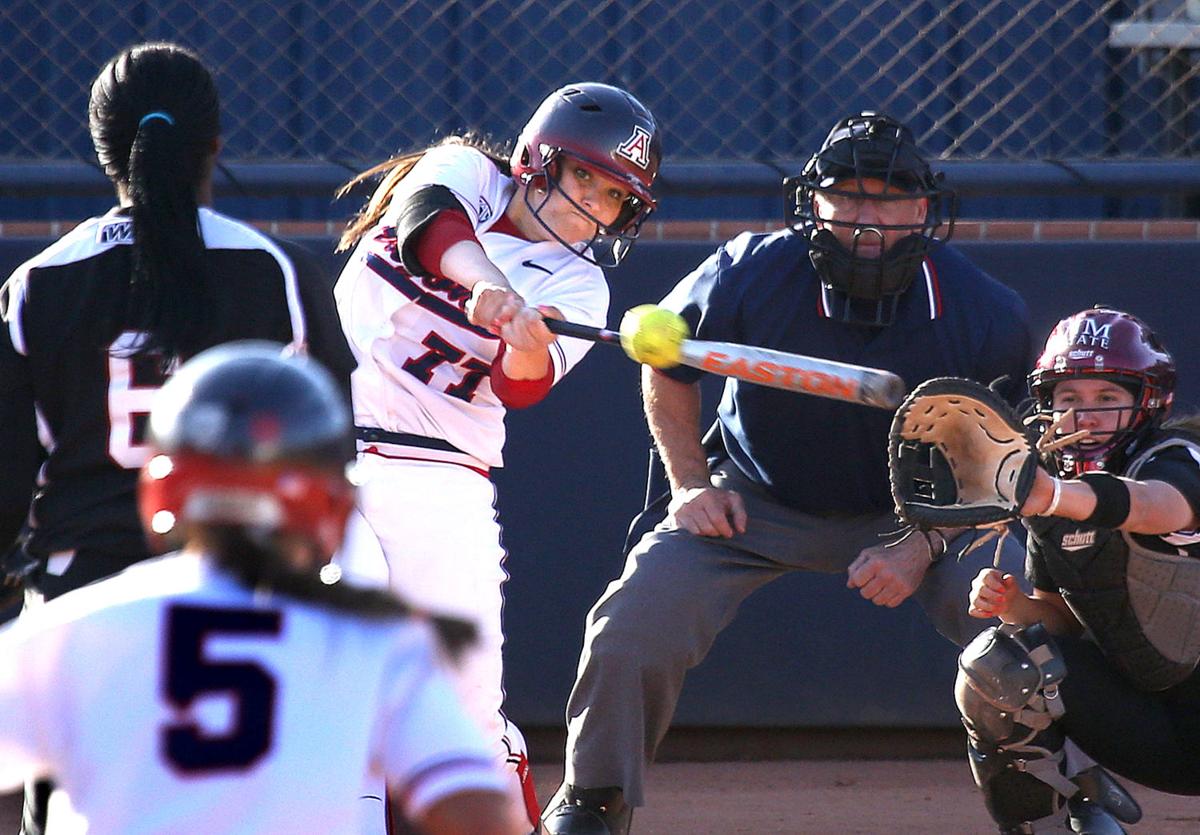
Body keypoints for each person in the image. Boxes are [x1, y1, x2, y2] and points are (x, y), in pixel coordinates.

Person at [540, 111, 1042, 834]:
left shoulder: (983, 309)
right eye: (849, 194)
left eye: (889, 196)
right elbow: (668, 363)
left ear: (925, 209)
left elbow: (1007, 455)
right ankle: (594, 798)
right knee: (632, 623)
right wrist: (691, 486)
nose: (868, 217)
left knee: (1018, 614)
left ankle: (1050, 791)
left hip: (923, 511)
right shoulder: (753, 268)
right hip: (755, 497)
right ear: (813, 201)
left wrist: (923, 543)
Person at [0, 42, 356, 833]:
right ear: (214, 147)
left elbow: (6, 483)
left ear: (103, 151)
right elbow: (334, 450)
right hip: (244, 590)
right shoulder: (278, 273)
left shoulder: (38, 285)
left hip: (82, 590)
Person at [0, 344, 521, 835]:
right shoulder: (381, 644)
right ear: (333, 506)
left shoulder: (79, 629)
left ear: (157, 493)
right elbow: (478, 813)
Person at [331, 82, 662, 831]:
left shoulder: (582, 288)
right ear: (536, 161)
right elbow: (428, 224)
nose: (591, 205)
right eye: (583, 177)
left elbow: (522, 389)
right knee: (336, 687)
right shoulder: (467, 175)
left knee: (466, 722)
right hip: (320, 452)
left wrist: (524, 341)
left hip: (438, 472)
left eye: (613, 197)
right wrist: (488, 287)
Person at [958, 307, 1200, 834]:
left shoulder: (1173, 458)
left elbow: (1160, 506)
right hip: (1156, 727)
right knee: (1000, 661)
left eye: (1107, 398)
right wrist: (1015, 605)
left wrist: (1053, 495)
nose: (1085, 416)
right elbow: (1064, 619)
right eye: (1069, 398)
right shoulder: (1052, 495)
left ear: (1148, 401)